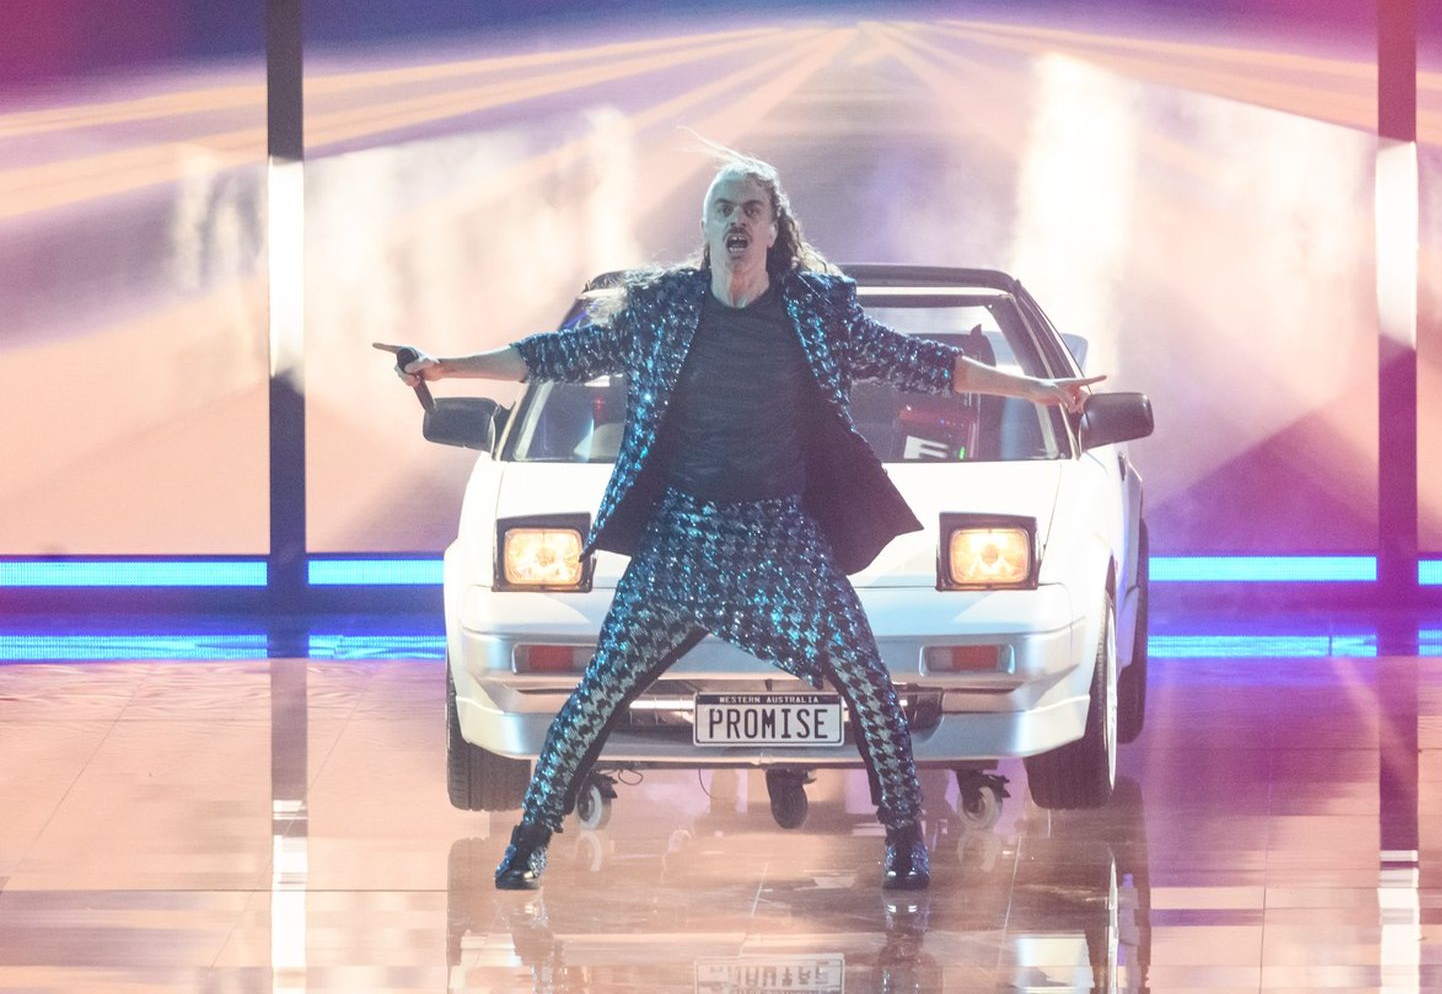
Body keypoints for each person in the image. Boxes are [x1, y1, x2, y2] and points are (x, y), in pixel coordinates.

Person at [378, 146, 1103, 891]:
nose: (737, 220)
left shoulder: (815, 311)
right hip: (681, 541)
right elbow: (556, 355)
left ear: (772, 230)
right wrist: (446, 367)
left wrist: (1038, 390)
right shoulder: (663, 311)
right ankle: (529, 842)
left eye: (751, 209)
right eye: (723, 208)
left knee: (867, 682)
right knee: (596, 695)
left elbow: (919, 362)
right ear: (707, 228)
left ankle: (904, 840)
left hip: (780, 540)